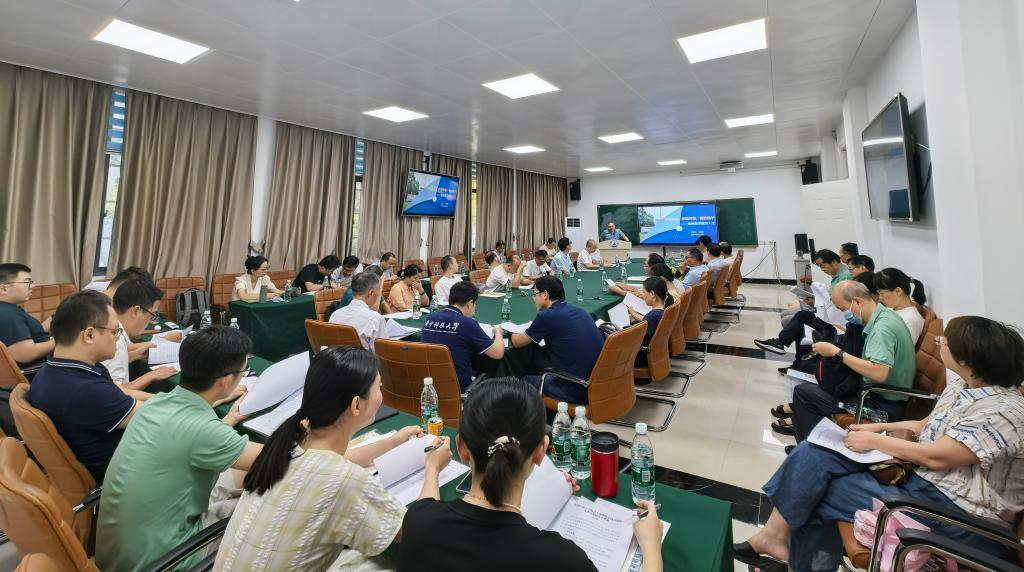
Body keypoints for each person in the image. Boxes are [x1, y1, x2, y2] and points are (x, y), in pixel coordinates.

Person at [736, 316, 1024, 572]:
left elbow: (936, 457)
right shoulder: (963, 386)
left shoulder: (1004, 412)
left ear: (966, 361)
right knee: (816, 452)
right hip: (924, 483)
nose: (940, 344)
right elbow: (925, 426)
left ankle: (788, 552)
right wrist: (877, 428)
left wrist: (875, 440)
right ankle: (777, 542)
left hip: (960, 516)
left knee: (819, 491)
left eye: (944, 342)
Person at [214, 346, 451, 571]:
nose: (382, 392)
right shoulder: (344, 480)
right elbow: (419, 534)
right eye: (379, 386)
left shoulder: (289, 445)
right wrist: (432, 469)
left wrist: (392, 442)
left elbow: (336, 461)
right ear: (356, 405)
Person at [399, 377, 664, 572]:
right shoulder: (562, 560)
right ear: (541, 451)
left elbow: (426, 506)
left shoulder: (417, 522)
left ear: (462, 448)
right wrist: (651, 546)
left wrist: (432, 470)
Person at [96, 325, 260, 572]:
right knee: (262, 506)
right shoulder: (205, 432)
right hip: (169, 560)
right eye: (242, 371)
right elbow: (278, 457)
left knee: (238, 473)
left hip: (119, 554)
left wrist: (230, 418)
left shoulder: (157, 403)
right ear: (227, 380)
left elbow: (191, 436)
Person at [774, 280, 916, 438]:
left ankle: (808, 447)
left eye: (843, 309)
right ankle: (815, 442)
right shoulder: (882, 316)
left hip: (881, 405)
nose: (844, 314)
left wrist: (836, 352)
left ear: (857, 302)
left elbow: (879, 373)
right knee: (823, 383)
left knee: (804, 393)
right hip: (874, 394)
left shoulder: (882, 329)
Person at [27, 290, 138, 481]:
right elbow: (155, 415)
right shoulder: (87, 391)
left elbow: (117, 390)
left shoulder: (51, 369)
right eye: (114, 331)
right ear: (89, 334)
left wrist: (158, 397)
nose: (118, 338)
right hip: (124, 476)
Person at [511, 277, 604, 405]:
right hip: (597, 383)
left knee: (522, 380)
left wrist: (509, 331)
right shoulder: (580, 311)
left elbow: (518, 342)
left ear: (545, 294)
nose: (534, 299)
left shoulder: (547, 316)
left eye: (535, 294)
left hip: (576, 388)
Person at [421, 282, 505, 392]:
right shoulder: (467, 323)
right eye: (475, 304)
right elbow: (498, 353)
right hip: (459, 387)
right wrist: (498, 333)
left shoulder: (430, 318)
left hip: (430, 384)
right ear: (470, 303)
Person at [102, 278, 177, 400]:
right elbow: (114, 393)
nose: (149, 322)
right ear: (136, 311)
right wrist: (151, 375)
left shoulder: (108, 326)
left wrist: (135, 355)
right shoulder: (116, 340)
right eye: (151, 315)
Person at [0, 263, 54, 368]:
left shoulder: (7, 310)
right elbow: (26, 354)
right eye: (27, 282)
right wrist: (64, 341)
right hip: (38, 371)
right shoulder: (8, 315)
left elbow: (27, 335)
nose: (33, 286)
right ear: (3, 289)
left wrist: (56, 318)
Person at [329, 271, 388, 351]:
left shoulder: (335, 315)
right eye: (378, 294)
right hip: (363, 358)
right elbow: (382, 352)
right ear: (371, 293)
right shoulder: (375, 319)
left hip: (338, 357)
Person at [874, 268, 927, 344]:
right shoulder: (892, 309)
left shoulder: (910, 320)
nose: (880, 297)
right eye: (878, 293)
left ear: (898, 291)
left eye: (882, 293)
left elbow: (902, 349)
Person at [629, 277, 672, 347]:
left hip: (642, 350)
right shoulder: (666, 308)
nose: (643, 295)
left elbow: (637, 337)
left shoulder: (652, 316)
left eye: (644, 292)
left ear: (652, 294)